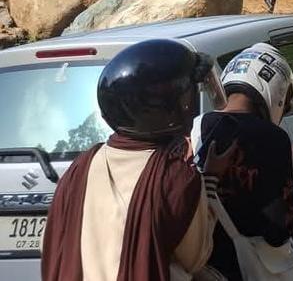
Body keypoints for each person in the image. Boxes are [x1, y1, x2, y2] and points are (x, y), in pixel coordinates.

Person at [42, 39, 234, 281]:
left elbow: (51, 245)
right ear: (173, 107)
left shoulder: (82, 165)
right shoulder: (176, 177)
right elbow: (195, 257)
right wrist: (210, 181)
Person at [195, 43, 293, 281]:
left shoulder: (194, 127)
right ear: (276, 92)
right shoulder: (272, 138)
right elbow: (279, 228)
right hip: (248, 267)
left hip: (203, 263)